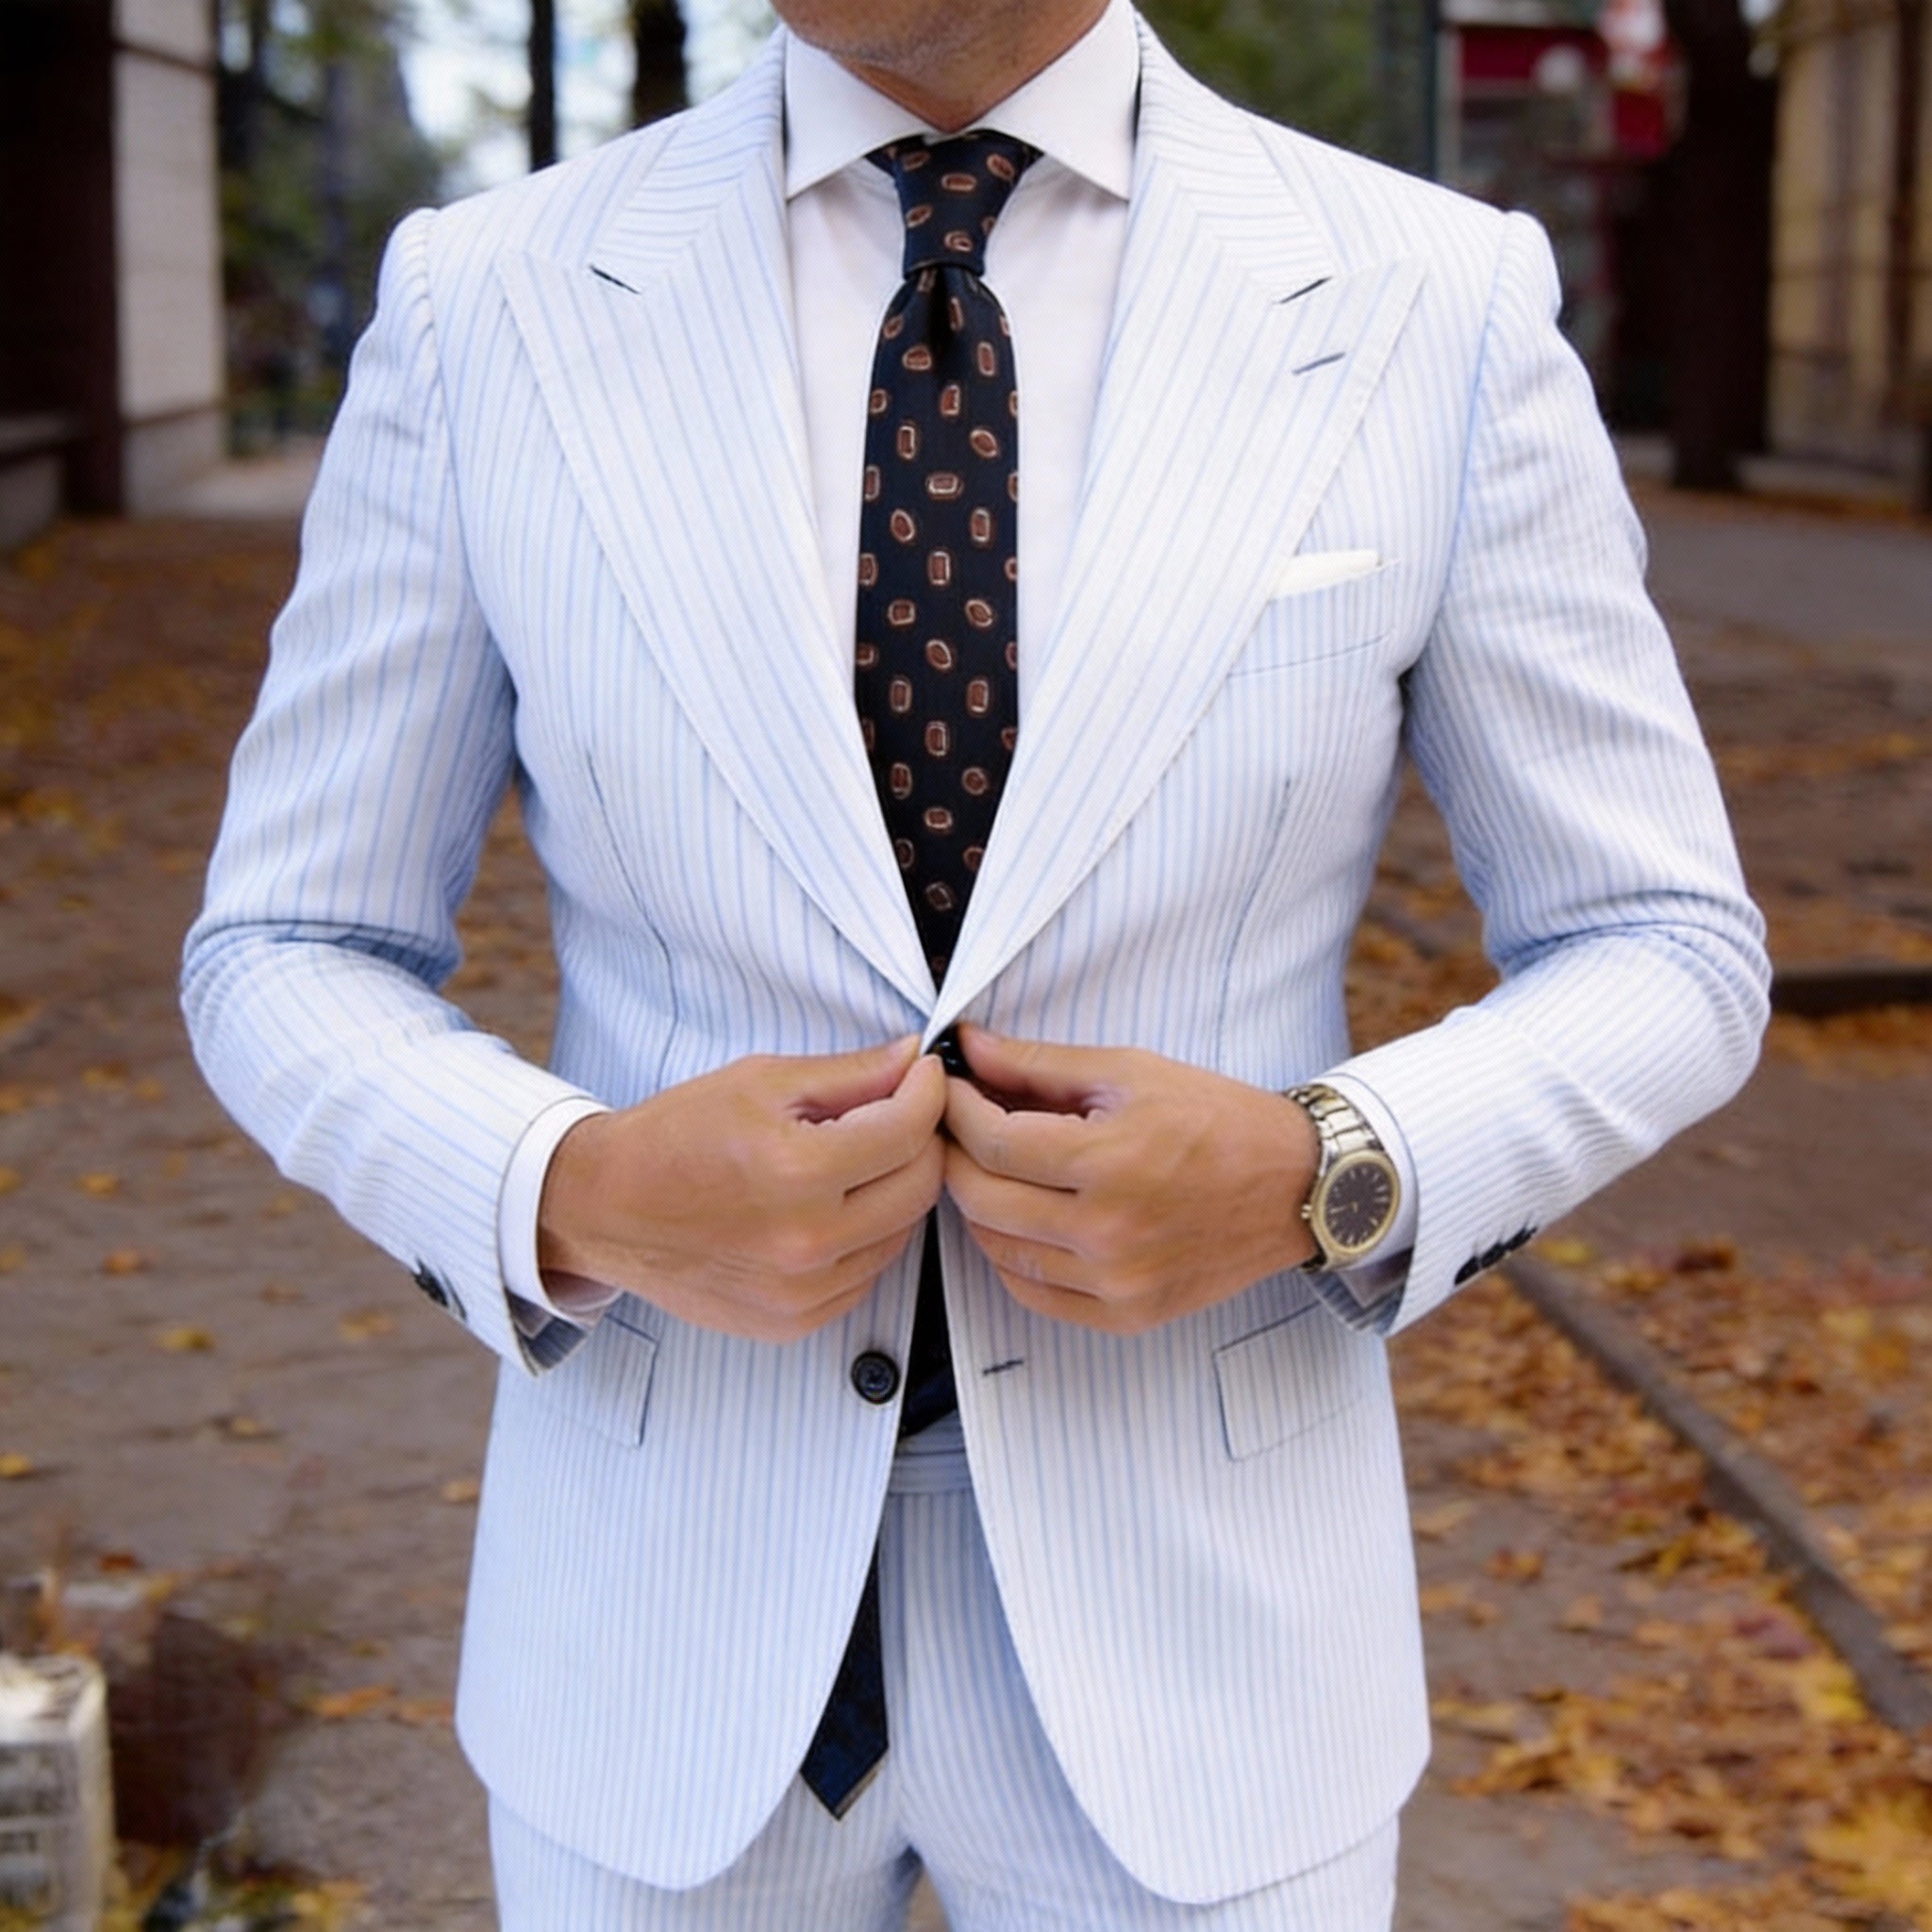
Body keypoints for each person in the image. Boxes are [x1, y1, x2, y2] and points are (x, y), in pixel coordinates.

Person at [180, 0, 1770, 1924]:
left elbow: (1660, 942)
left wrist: (1327, 1169)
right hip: (657, 1630)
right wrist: (568, 1191)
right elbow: (289, 939)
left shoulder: (1430, 298)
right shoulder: (487, 300)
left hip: (1211, 1655)